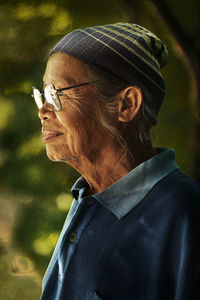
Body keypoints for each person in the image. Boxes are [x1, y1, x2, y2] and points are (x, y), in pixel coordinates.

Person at [32, 23, 200, 300]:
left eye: (57, 93)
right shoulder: (86, 196)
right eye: (42, 94)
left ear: (126, 105)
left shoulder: (186, 215)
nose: (43, 111)